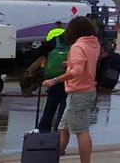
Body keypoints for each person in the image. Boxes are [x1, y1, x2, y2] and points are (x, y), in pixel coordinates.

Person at [41, 16, 101, 163]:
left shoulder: (78, 46)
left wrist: (54, 80)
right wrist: (70, 63)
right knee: (64, 127)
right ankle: (55, 156)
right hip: (87, 90)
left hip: (79, 91)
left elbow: (78, 71)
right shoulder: (94, 44)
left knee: (81, 131)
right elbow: (85, 64)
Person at [34, 29, 71, 132]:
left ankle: (42, 133)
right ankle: (57, 134)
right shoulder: (77, 43)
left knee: (50, 107)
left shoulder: (56, 40)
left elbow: (39, 51)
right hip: (69, 79)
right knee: (63, 109)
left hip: (53, 78)